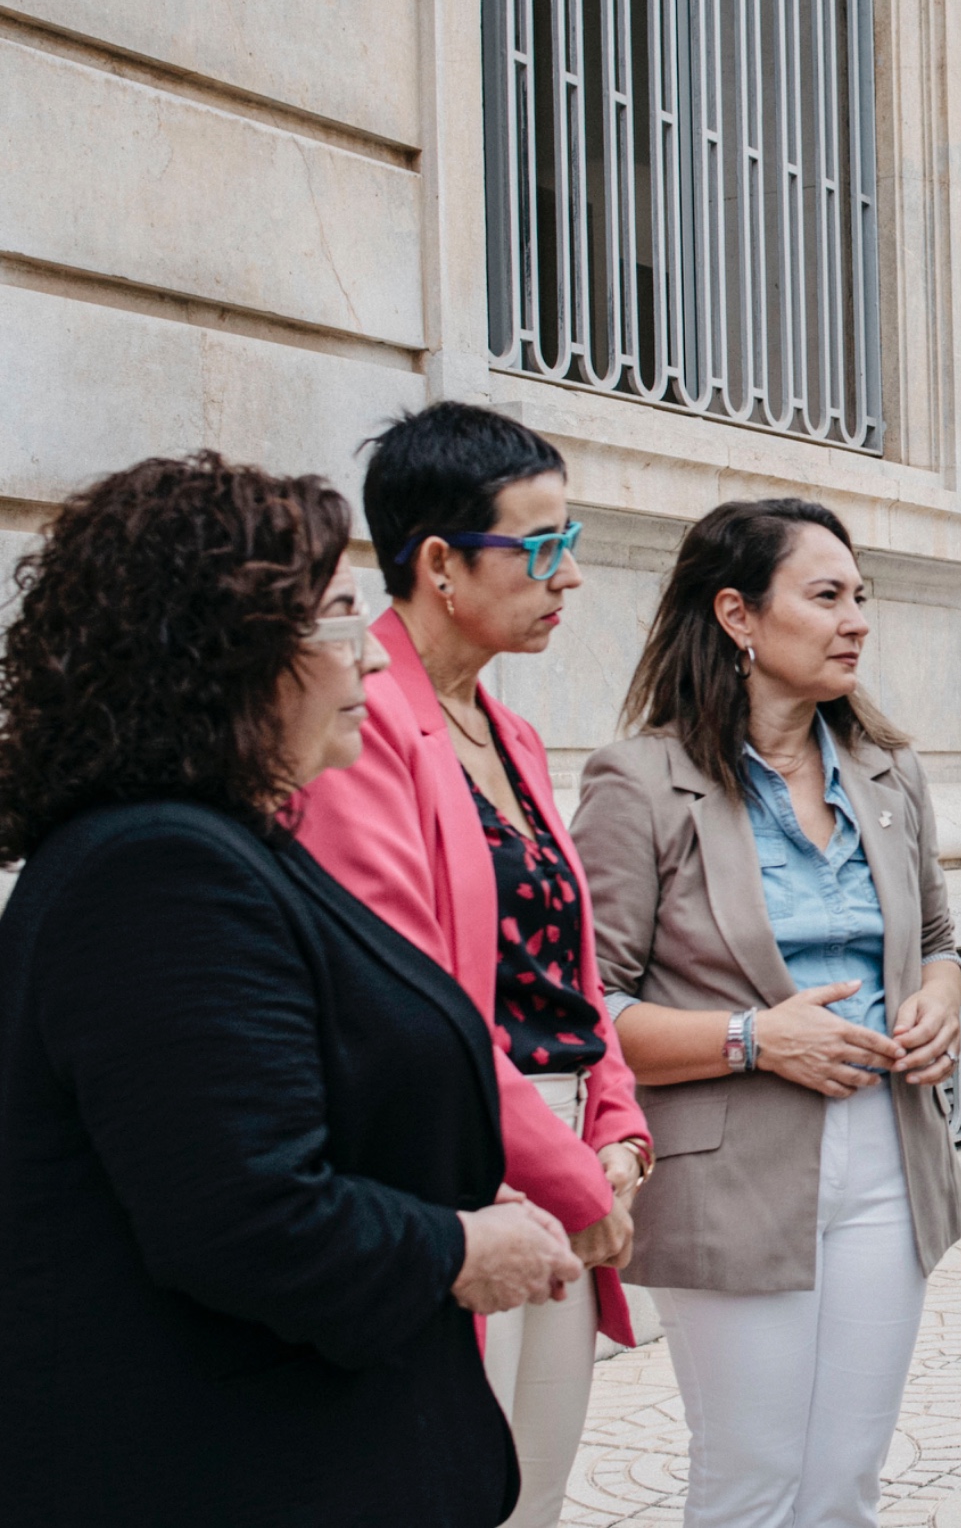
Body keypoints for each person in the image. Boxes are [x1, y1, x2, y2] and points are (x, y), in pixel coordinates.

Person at [0, 453, 583, 1526]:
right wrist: (457, 1248)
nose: (369, 652)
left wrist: (432, 1183)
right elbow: (244, 1215)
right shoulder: (157, 870)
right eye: (338, 615)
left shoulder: (227, 839)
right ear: (228, 655)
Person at [574, 498, 961, 1528]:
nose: (857, 620)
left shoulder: (890, 773)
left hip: (887, 1159)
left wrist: (941, 992)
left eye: (861, 597)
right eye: (827, 595)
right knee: (753, 1482)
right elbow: (591, 1012)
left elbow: (934, 932)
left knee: (844, 1479)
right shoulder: (641, 783)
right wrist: (754, 1037)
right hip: (728, 1174)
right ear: (738, 614)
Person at [296, 404, 652, 1528]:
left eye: (572, 542)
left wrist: (618, 1117)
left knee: (533, 1487)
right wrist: (572, 1175)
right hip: (454, 1158)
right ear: (440, 562)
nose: (569, 576)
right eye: (539, 547)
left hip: (557, 1146)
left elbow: (570, 963)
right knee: (452, 1486)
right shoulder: (357, 726)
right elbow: (416, 998)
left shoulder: (515, 732)